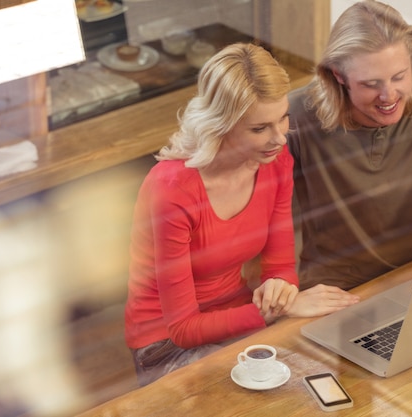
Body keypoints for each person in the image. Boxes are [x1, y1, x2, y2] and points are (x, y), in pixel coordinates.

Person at [124, 43, 358, 387]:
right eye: (259, 128)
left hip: (240, 316)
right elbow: (185, 329)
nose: (279, 138)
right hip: (165, 343)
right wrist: (280, 309)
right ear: (221, 125)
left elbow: (279, 268)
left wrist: (280, 289)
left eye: (282, 118)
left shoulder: (275, 162)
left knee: (326, 378)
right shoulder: (172, 190)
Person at [287, 0, 412, 291]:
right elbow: (262, 223)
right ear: (338, 75)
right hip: (334, 288)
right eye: (371, 84)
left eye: (399, 76)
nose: (389, 95)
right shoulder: (295, 116)